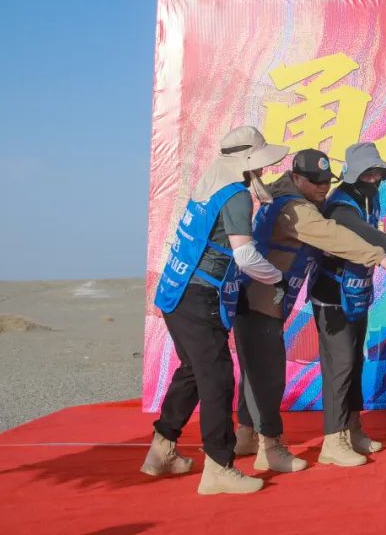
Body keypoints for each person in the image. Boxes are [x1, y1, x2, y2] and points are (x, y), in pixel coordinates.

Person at [231, 148, 386, 473]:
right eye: (315, 180)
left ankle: (247, 435)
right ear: (296, 177)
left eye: (325, 180)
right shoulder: (297, 209)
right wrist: (381, 257)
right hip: (264, 299)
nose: (322, 187)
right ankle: (278, 447)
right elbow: (332, 235)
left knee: (257, 372)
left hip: (269, 300)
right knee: (270, 376)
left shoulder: (293, 196)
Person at [143, 126, 288, 495]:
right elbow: (245, 255)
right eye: (260, 162)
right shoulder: (237, 196)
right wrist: (277, 278)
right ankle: (219, 468)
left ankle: (161, 450)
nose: (264, 169)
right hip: (199, 296)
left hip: (175, 291)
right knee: (218, 380)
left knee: (193, 371)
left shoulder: (210, 184)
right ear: (247, 162)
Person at [309, 143, 386, 466]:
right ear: (353, 174)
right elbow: (373, 237)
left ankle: (352, 429)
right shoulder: (340, 206)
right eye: (368, 173)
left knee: (354, 363)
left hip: (357, 292)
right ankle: (333, 439)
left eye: (377, 172)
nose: (375, 177)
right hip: (331, 294)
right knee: (339, 366)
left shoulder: (371, 197)